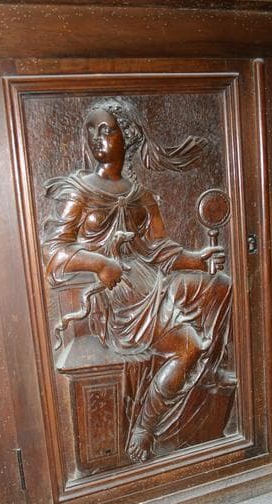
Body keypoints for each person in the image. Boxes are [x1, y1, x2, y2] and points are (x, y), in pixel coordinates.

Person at [42, 98, 233, 463]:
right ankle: (145, 428)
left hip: (150, 278)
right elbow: (52, 251)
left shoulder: (139, 194)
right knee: (187, 347)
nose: (96, 138)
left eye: (106, 130)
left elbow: (161, 250)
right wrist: (99, 262)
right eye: (91, 130)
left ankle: (210, 372)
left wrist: (198, 258)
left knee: (222, 283)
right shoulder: (78, 190)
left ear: (126, 135)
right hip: (118, 293)